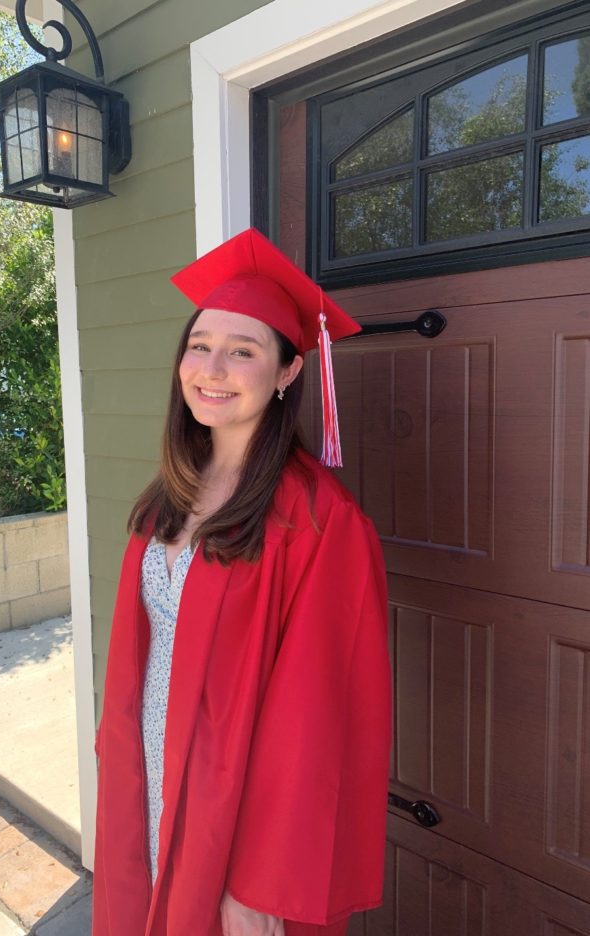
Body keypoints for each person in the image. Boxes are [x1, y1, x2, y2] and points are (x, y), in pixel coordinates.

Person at [92, 228, 391, 936]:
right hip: (151, 784)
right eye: (200, 345)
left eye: (244, 350)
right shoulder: (168, 493)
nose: (212, 366)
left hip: (235, 825)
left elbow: (318, 722)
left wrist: (260, 882)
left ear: (288, 373)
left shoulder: (320, 522)